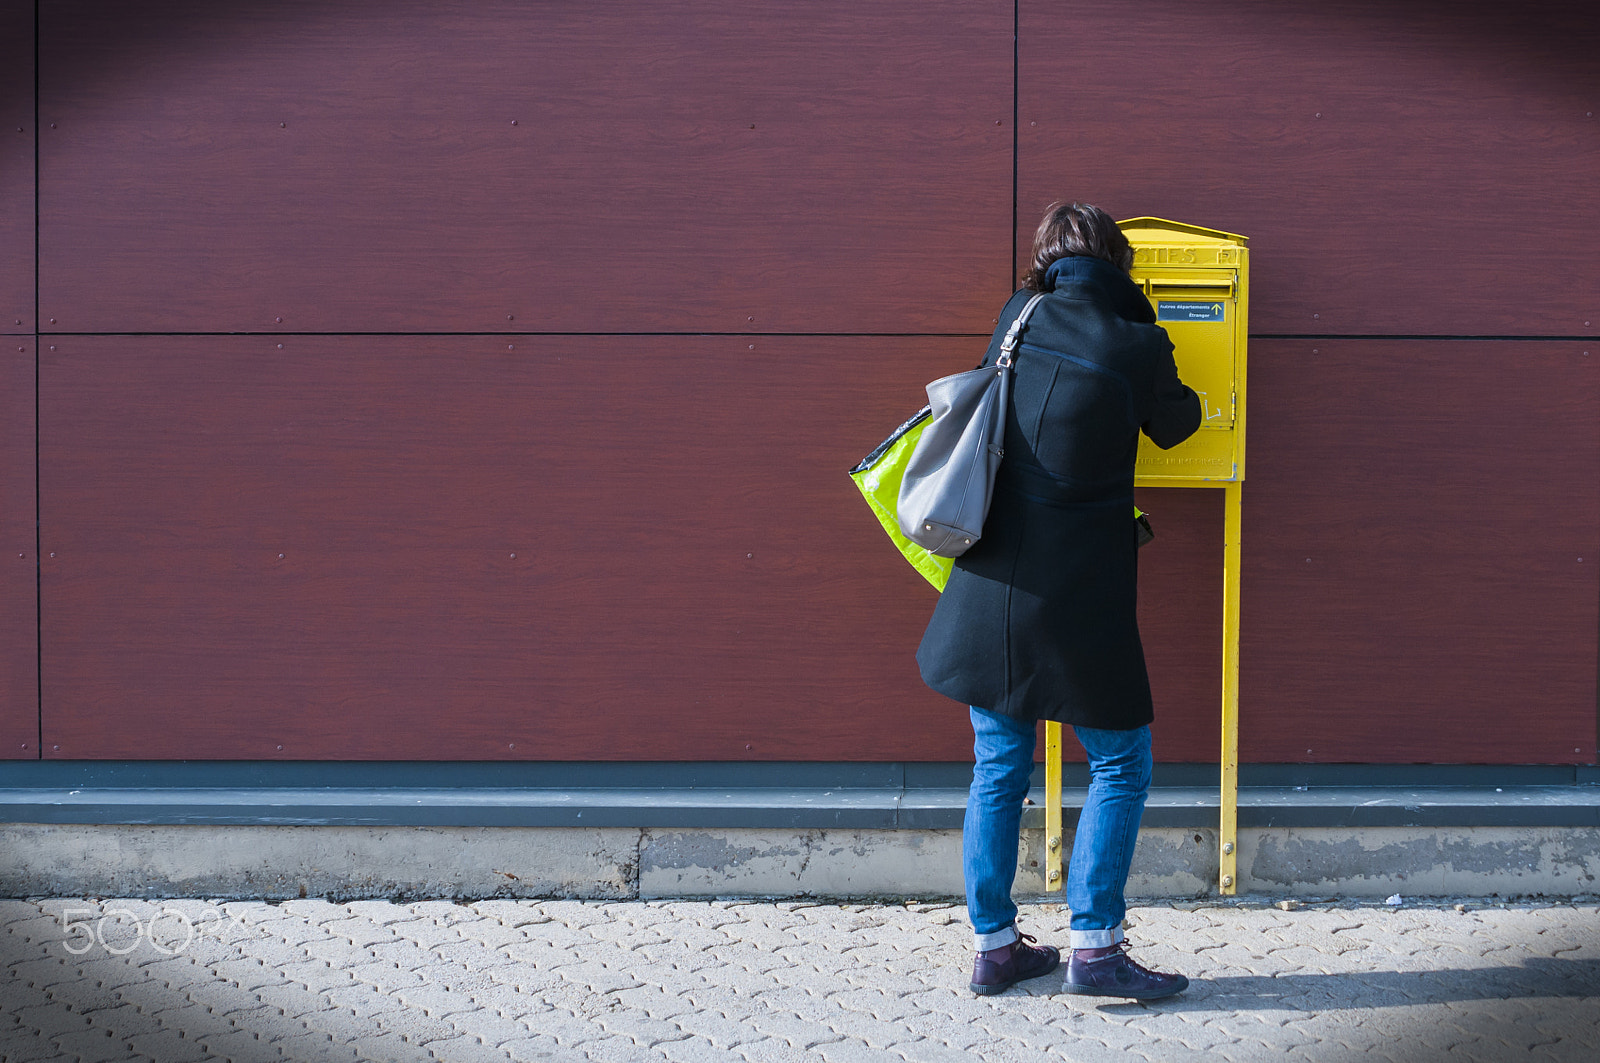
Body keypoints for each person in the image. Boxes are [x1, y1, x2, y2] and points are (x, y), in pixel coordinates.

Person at [917, 202, 1202, 999]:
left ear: (1048, 259)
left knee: (999, 762)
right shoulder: (1137, 342)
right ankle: (1097, 947)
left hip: (996, 582)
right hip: (1080, 590)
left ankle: (995, 947)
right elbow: (1177, 424)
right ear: (1117, 261)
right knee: (1120, 760)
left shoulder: (1019, 315)